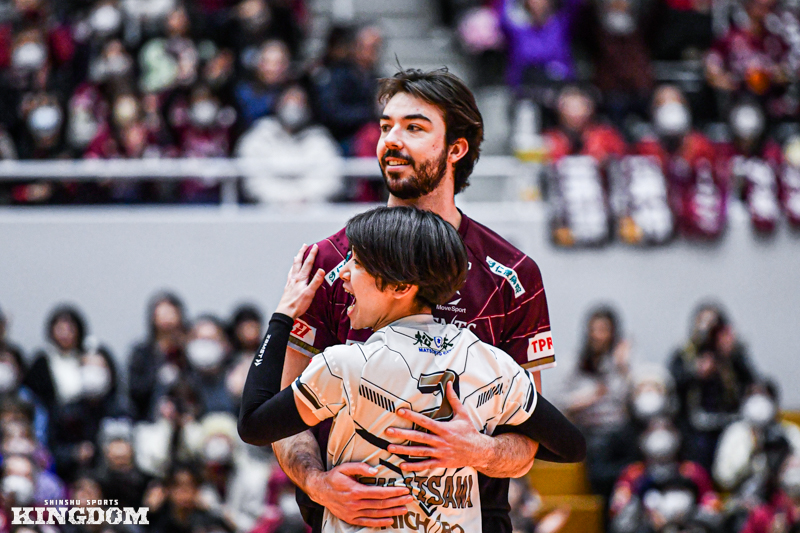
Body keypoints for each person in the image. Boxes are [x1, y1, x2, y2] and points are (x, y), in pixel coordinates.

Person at [273, 68, 559, 532]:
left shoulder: (513, 276)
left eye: (414, 127)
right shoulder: (328, 261)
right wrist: (317, 483)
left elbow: (529, 441)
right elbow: (280, 412)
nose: (391, 140)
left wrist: (480, 450)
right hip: (352, 520)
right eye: (386, 126)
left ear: (456, 149)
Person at [239, 207, 586, 533]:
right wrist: (479, 448)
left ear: (401, 286)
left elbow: (254, 424)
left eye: (356, 263)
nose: (343, 274)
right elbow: (571, 447)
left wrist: (282, 317)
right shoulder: (492, 363)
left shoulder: (346, 365)